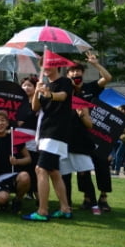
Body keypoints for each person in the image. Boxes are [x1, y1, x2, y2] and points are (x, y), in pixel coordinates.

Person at [22, 64, 73, 221]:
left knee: (40, 169)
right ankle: (65, 208)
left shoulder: (65, 81)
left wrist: (48, 93)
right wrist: (38, 90)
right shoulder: (43, 84)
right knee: (54, 172)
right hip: (44, 132)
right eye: (43, 65)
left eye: (49, 64)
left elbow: (63, 96)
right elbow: (35, 107)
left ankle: (43, 210)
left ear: (57, 65)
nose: (46, 68)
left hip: (55, 132)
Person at [67, 51, 114, 212]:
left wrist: (95, 63)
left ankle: (103, 197)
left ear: (83, 73)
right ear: (68, 75)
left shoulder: (90, 88)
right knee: (83, 169)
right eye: (72, 71)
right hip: (76, 135)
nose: (75, 73)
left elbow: (107, 78)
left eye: (78, 70)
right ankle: (87, 197)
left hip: (95, 134)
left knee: (101, 165)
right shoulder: (67, 92)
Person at [0, 110, 31, 213]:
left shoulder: (14, 138)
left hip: (13, 175)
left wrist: (17, 161)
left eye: (3, 120)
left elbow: (28, 159)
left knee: (25, 177)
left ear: (7, 123)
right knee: (2, 198)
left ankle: (18, 200)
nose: (0, 123)